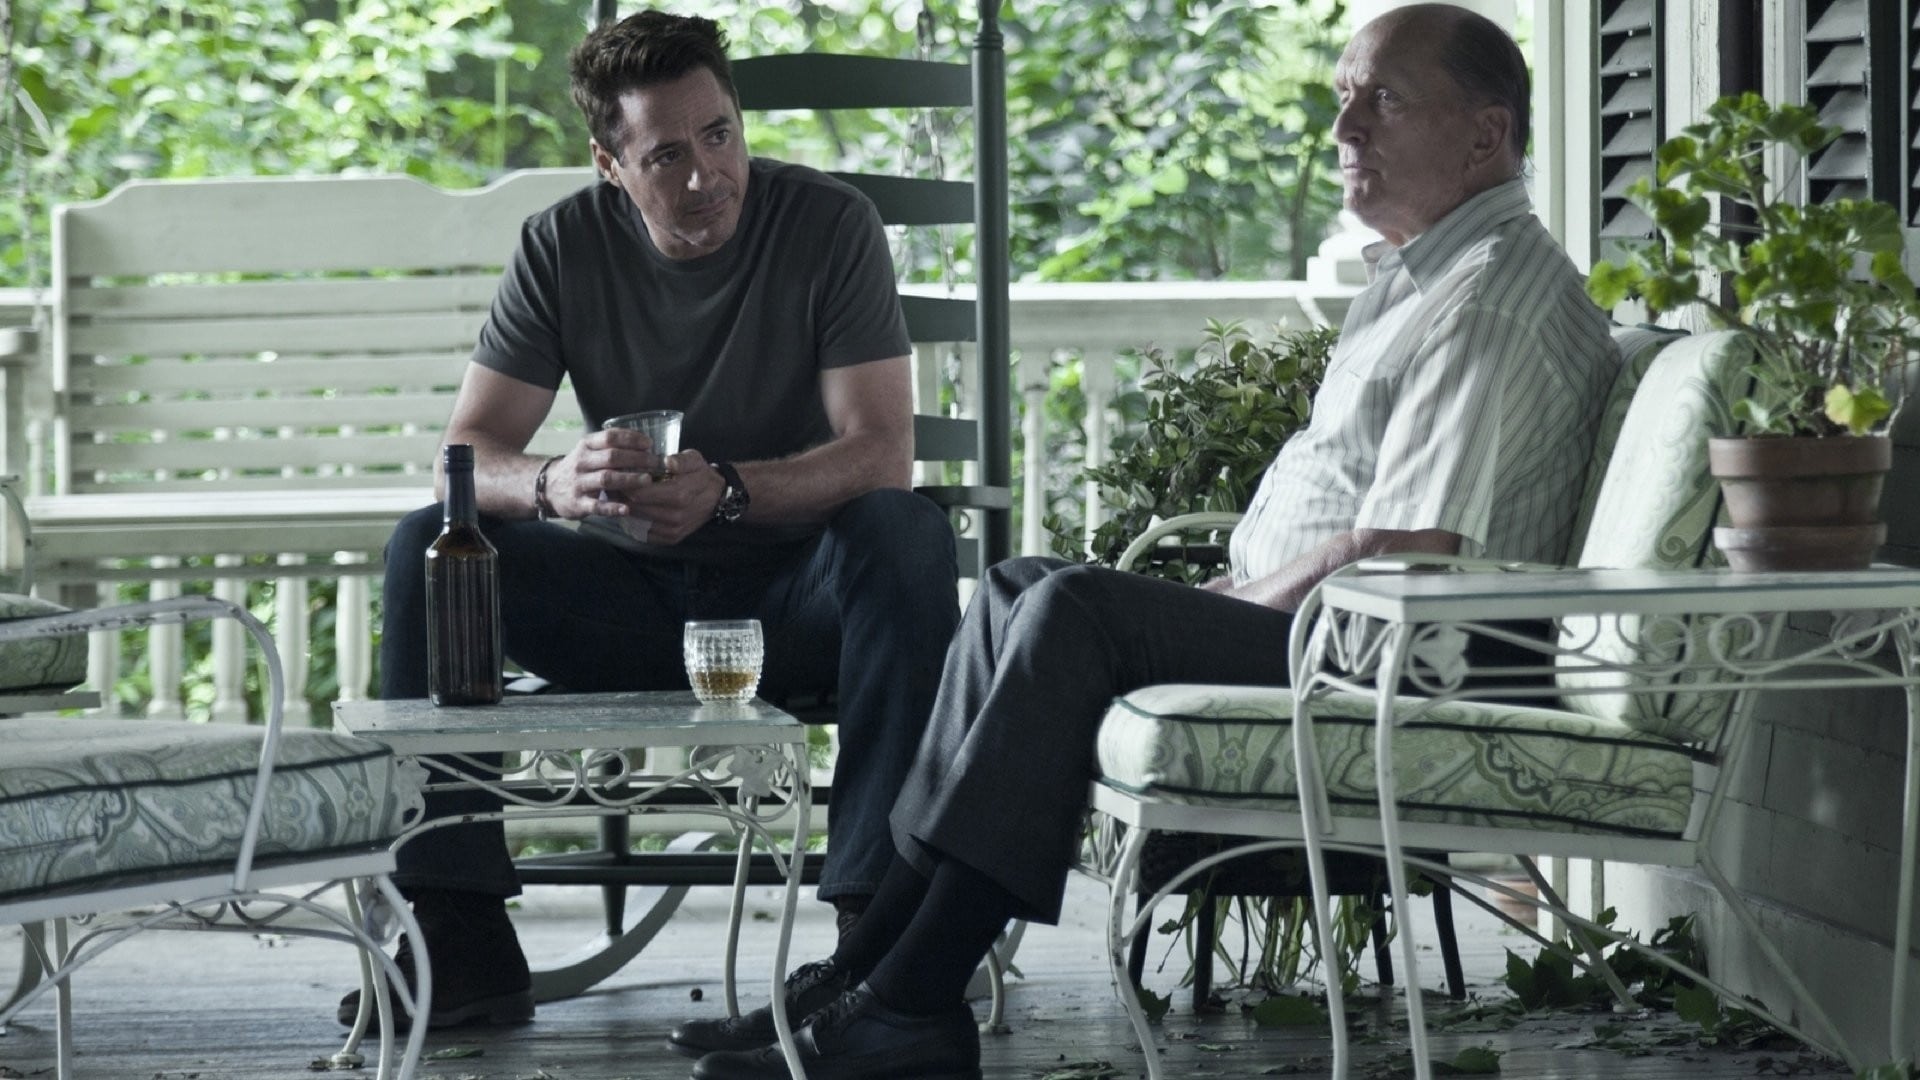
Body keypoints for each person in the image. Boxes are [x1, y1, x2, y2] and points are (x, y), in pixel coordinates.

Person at [674, 4, 1617, 1078]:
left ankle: (910, 1001)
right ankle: (868, 972)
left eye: (1384, 100)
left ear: (1486, 134)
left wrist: (1226, 606)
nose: (1344, 125)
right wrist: (1228, 597)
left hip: (1390, 662)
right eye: (1345, 95)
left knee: (1073, 612)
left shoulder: (1487, 301)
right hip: (1340, 633)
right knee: (1019, 588)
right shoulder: (1424, 278)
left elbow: (1402, 550)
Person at [344, 9, 962, 1030]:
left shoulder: (829, 224)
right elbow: (465, 456)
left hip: (795, 607)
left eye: (720, 135)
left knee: (904, 530)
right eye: (667, 154)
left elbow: (880, 454)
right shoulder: (560, 245)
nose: (706, 175)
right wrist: (555, 482)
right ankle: (458, 936)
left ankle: (877, 940)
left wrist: (729, 488)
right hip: (626, 607)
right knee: (431, 545)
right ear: (610, 164)